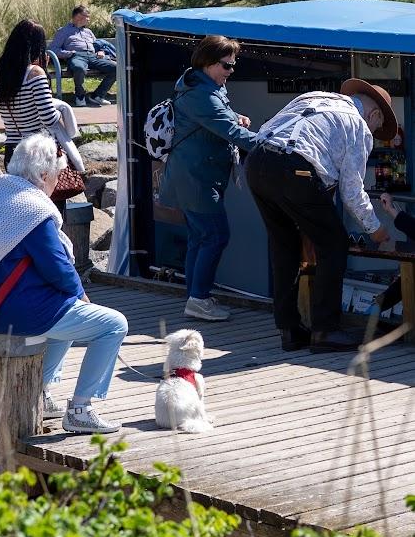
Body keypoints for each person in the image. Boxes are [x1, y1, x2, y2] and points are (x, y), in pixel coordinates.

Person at [0, 134, 128, 434]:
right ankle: (81, 408)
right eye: (56, 176)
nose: (57, 183)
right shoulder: (32, 210)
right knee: (113, 324)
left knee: (66, 320)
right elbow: (58, 267)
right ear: (43, 175)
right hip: (24, 309)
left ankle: (41, 392)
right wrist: (81, 296)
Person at [245, 79, 394, 353]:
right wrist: (375, 229)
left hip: (256, 160)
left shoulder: (313, 97)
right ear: (373, 115)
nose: (373, 133)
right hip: (295, 166)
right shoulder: (358, 126)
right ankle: (325, 330)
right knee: (333, 244)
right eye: (376, 127)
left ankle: (289, 330)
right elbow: (352, 190)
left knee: (284, 245)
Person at [158, 35, 258, 322]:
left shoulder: (200, 85)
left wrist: (233, 115)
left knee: (199, 237)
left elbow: (218, 119)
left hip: (193, 175)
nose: (231, 71)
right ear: (208, 63)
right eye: (226, 66)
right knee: (215, 235)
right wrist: (272, 146)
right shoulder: (202, 94)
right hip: (196, 179)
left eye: (232, 65)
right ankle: (199, 299)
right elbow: (231, 133)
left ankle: (195, 296)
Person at [0, 19, 60, 168]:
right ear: (37, 47)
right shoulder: (34, 73)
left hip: (12, 149)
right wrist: (63, 112)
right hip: (35, 151)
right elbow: (48, 118)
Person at [49, 5, 117, 107]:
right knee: (79, 68)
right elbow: (53, 49)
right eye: (87, 16)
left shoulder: (88, 31)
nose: (89, 19)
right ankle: (80, 96)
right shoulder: (63, 31)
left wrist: (101, 51)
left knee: (116, 68)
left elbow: (97, 45)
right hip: (77, 56)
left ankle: (97, 96)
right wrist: (69, 53)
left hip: (93, 56)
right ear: (78, 17)